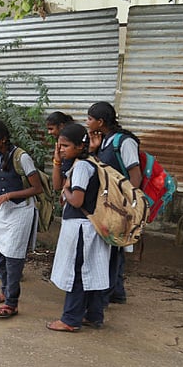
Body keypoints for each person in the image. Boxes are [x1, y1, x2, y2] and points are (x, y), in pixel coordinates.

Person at [46, 124, 111, 331]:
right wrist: (58, 161)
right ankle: (93, 315)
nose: (61, 149)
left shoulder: (82, 166)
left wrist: (67, 190)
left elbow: (76, 200)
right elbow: (56, 184)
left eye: (65, 146)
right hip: (89, 227)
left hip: (82, 229)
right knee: (91, 271)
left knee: (77, 273)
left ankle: (70, 320)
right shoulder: (86, 162)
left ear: (79, 146)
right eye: (59, 145)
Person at [0, 118, 42, 318]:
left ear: (3, 139)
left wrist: (7, 195)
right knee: (1, 256)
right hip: (5, 212)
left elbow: (36, 188)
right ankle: (5, 291)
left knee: (13, 259)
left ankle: (12, 303)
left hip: (21, 211)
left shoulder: (21, 157)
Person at [86, 101, 140, 306]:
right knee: (113, 247)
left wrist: (130, 205)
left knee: (112, 249)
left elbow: (135, 175)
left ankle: (107, 294)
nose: (87, 122)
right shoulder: (105, 141)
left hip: (120, 205)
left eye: (90, 119)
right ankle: (116, 291)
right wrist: (93, 150)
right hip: (108, 204)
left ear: (100, 122)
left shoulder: (124, 142)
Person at [46, 111, 74, 191]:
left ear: (61, 126)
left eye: (51, 129)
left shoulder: (69, 152)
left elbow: (59, 186)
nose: (49, 132)